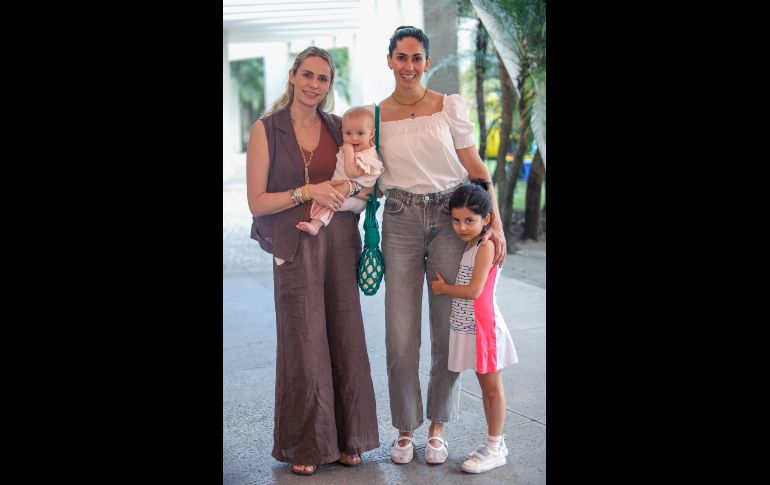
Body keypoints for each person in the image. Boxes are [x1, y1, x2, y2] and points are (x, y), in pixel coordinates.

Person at [376, 26, 507, 465]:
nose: (409, 66)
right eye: (401, 57)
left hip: (451, 219)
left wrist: (497, 226)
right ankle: (404, 428)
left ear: (427, 62)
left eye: (417, 58)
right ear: (390, 61)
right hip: (399, 220)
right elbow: (360, 172)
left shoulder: (448, 107)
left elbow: (475, 167)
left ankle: (436, 427)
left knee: (448, 328)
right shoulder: (376, 116)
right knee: (400, 333)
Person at [246, 46, 379, 477]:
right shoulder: (267, 130)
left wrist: (351, 198)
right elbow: (257, 202)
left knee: (345, 333)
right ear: (292, 76)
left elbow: (365, 187)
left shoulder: (341, 127)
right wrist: (309, 192)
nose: (314, 85)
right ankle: (307, 442)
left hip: (339, 242)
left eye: (323, 78)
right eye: (307, 75)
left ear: (329, 85)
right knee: (303, 342)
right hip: (294, 246)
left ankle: (351, 439)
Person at [429, 179, 518, 474]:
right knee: (485, 387)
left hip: (484, 329)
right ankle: (494, 443)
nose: (462, 227)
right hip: (470, 327)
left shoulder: (487, 245)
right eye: (456, 220)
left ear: (486, 219)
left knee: (492, 388)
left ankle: (495, 447)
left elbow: (474, 291)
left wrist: (443, 289)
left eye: (470, 220)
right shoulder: (473, 242)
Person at [297, 106, 383, 236]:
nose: (354, 138)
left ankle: (316, 225)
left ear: (371, 134)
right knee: (323, 198)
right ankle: (315, 221)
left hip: (358, 199)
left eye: (360, 133)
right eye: (348, 133)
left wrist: (348, 152)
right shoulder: (355, 149)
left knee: (329, 200)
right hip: (345, 191)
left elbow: (352, 173)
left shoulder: (367, 156)